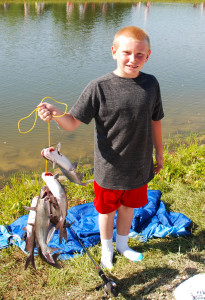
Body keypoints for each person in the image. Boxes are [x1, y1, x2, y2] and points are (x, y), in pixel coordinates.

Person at [38, 26, 164, 269]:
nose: (133, 59)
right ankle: (107, 250)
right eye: (127, 53)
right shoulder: (99, 87)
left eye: (140, 55)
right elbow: (72, 123)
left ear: (148, 56)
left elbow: (156, 120)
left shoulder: (151, 84)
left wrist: (159, 152)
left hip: (139, 165)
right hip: (109, 169)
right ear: (114, 51)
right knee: (106, 212)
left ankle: (123, 245)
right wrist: (56, 114)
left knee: (128, 208)